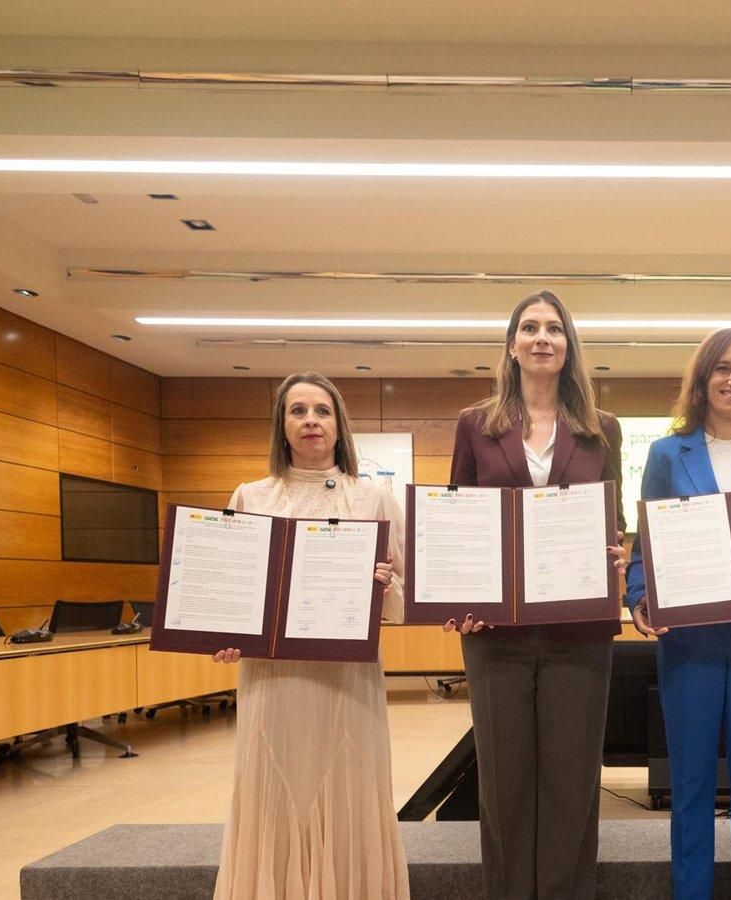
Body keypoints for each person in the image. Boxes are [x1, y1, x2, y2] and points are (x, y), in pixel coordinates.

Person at [445, 290, 626, 899]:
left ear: (569, 345)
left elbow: (612, 517)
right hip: (496, 637)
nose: (542, 337)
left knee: (573, 785)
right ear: (512, 344)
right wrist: (456, 600)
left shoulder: (602, 429)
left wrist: (616, 556)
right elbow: (459, 517)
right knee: (505, 785)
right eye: (530, 327)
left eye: (554, 328)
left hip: (580, 633)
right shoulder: (476, 424)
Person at [210, 372, 409, 900]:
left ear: (340, 425)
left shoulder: (374, 497)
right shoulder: (250, 496)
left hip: (349, 683)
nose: (310, 421)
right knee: (274, 791)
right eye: (296, 411)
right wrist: (226, 636)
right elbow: (229, 592)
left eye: (321, 410)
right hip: (274, 684)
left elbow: (408, 596)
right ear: (282, 426)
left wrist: (382, 586)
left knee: (350, 790)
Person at [624, 328, 731, 900]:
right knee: (691, 784)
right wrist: (640, 598)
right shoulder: (664, 454)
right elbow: (644, 546)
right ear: (702, 379)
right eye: (723, 368)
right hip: (689, 643)